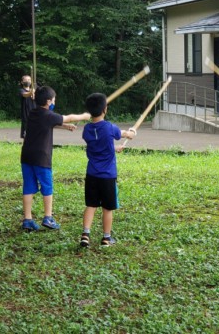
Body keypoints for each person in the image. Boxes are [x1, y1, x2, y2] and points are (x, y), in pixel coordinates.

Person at [20, 86, 91, 231]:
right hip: (41, 158)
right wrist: (84, 116)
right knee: (47, 186)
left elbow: (47, 124)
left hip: (27, 156)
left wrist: (65, 127)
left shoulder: (34, 112)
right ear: (48, 101)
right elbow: (69, 116)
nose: (54, 102)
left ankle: (27, 220)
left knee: (29, 187)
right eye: (53, 100)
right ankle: (48, 217)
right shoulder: (48, 115)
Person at [79, 92, 135, 247]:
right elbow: (124, 134)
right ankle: (106, 238)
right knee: (107, 208)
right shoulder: (110, 127)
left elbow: (99, 144)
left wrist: (113, 148)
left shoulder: (87, 130)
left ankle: (85, 235)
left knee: (91, 205)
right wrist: (132, 132)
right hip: (108, 176)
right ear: (105, 109)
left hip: (92, 174)